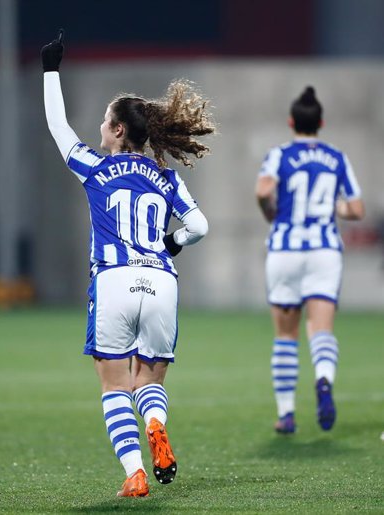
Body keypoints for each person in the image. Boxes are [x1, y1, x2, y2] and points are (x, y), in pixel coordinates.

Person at [41, 31, 214, 497]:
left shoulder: (95, 167)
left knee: (115, 386)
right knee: (149, 379)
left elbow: (59, 127)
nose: (100, 126)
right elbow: (199, 226)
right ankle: (156, 425)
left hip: (114, 280)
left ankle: (135, 472)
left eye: (104, 120)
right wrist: (172, 244)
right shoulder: (165, 176)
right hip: (161, 281)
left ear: (118, 130)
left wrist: (50, 70)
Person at [255, 86, 365, 435]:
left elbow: (262, 190)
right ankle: (323, 379)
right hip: (324, 251)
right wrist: (332, 207)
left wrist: (270, 212)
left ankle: (287, 414)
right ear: (321, 122)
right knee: (321, 329)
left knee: (286, 335)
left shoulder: (279, 155)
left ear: (292, 121)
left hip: (285, 249)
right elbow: (357, 209)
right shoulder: (336, 157)